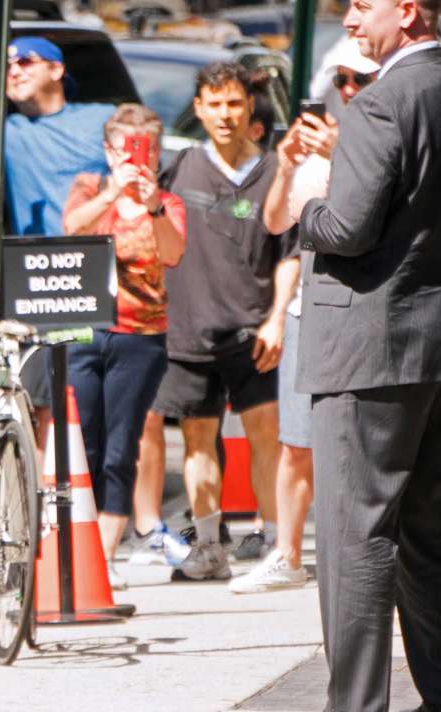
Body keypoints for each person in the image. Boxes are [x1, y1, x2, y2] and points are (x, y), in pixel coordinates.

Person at [287, 0, 441, 707]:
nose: (348, 17)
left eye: (360, 4)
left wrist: (306, 208)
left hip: (369, 347)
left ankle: (356, 704)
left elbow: (345, 228)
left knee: (356, 543)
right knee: (427, 539)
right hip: (428, 344)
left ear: (406, 11)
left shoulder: (383, 102)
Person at [229, 41, 379, 595]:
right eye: (341, 80)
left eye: (359, 80)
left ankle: (362, 557)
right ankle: (287, 553)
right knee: (296, 441)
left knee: (358, 443)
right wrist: (287, 164)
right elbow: (275, 226)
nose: (347, 91)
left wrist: (341, 152)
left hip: (361, 308)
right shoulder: (316, 144)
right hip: (306, 309)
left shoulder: (382, 137)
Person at [0, 35, 118, 448]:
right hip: (40, 281)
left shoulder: (104, 118)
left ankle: (118, 511)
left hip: (104, 282)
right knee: (43, 406)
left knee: (120, 410)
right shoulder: (6, 131)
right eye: (8, 64)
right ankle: (47, 506)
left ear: (57, 69)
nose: (14, 69)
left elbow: (145, 156)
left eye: (26, 61)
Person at [151, 62, 296, 580]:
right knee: (197, 441)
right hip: (189, 327)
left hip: (255, 329)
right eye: (214, 105)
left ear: (249, 106)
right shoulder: (178, 166)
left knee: (266, 435)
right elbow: (153, 240)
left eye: (234, 103)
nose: (225, 115)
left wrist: (278, 318)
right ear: (198, 109)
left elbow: (291, 254)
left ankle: (280, 544)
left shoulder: (276, 171)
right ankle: (209, 546)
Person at [62, 103, 188, 588]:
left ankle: (104, 555)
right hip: (86, 331)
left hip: (141, 337)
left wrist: (151, 204)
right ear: (108, 150)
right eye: (127, 147)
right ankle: (77, 548)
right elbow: (71, 229)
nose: (137, 157)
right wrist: (114, 192)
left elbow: (173, 253)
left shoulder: (168, 202)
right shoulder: (91, 187)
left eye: (146, 149)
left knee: (120, 449)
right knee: (83, 443)